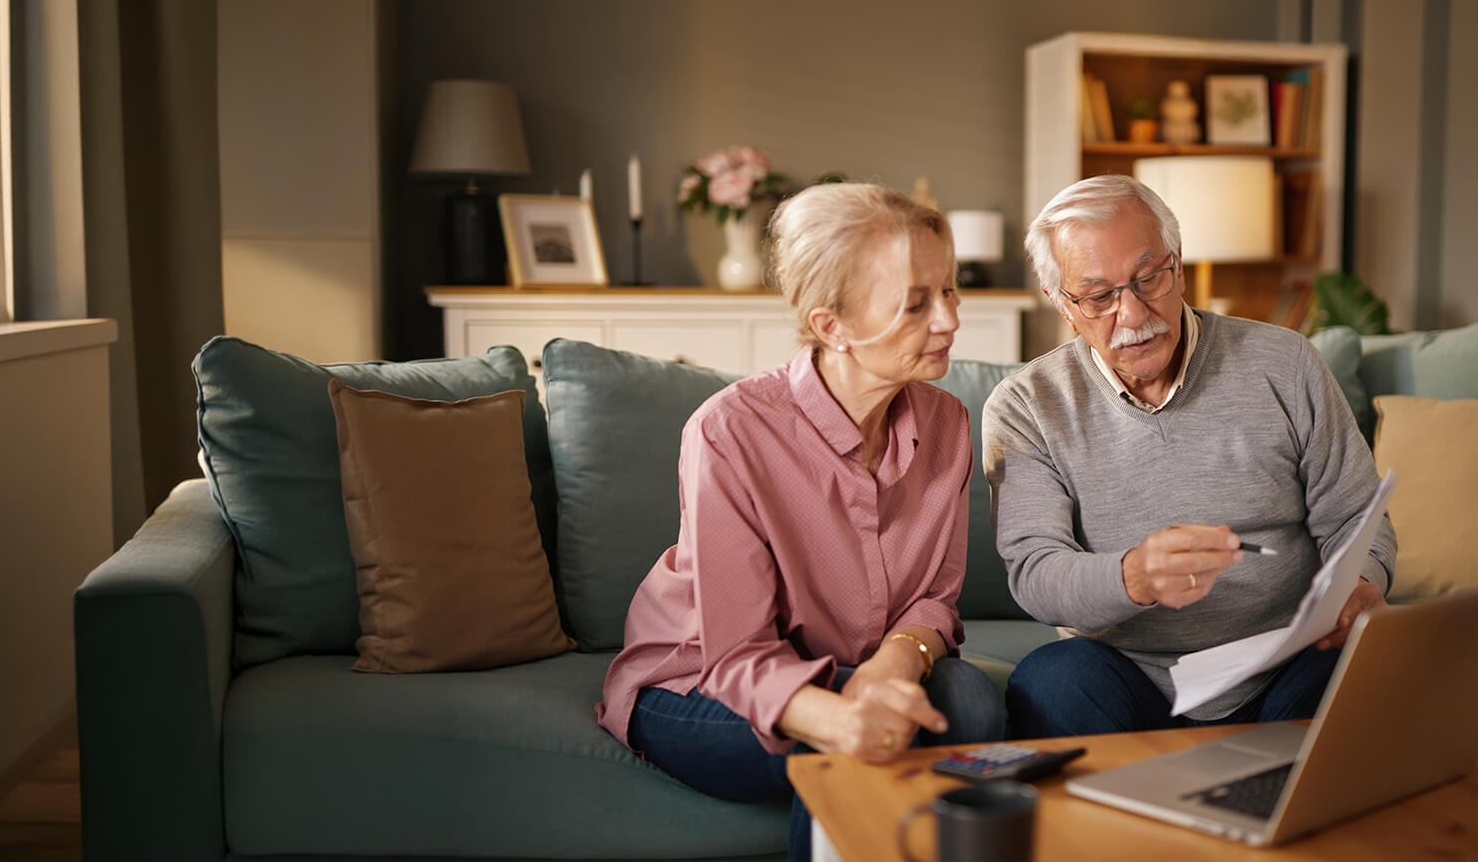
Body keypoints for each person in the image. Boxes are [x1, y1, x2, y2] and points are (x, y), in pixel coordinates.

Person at [597, 183, 1005, 859]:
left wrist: (899, 660)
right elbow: (736, 656)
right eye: (915, 304)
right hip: (699, 682)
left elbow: (934, 598)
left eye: (951, 290)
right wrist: (847, 718)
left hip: (854, 664)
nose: (950, 320)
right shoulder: (730, 431)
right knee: (891, 738)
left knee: (971, 701)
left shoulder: (949, 424)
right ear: (830, 326)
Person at [985, 174, 1396, 738]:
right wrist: (1134, 577)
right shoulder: (1027, 406)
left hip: (1287, 662)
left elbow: (1357, 517)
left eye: (1148, 278)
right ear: (1063, 304)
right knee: (1053, 680)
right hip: (1126, 673)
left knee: (1359, 668)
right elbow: (1036, 572)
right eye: (1100, 296)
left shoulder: (1286, 363)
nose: (1132, 314)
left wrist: (1363, 581)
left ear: (1177, 266)